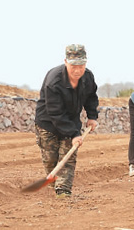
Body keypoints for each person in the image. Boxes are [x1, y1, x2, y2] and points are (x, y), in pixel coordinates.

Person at [35, 44, 99, 198]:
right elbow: (55, 113)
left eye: (81, 65)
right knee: (51, 160)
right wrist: (74, 133)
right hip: (48, 123)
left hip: (71, 120)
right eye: (73, 66)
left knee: (68, 157)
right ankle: (54, 184)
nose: (77, 70)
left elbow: (91, 97)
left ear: (86, 63)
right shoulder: (54, 81)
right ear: (65, 62)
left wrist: (92, 116)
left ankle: (63, 191)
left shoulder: (88, 77)